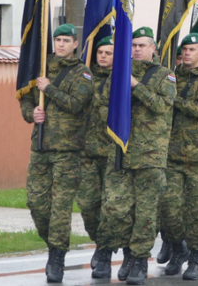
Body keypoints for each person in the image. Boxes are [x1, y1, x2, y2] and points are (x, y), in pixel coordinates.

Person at [94, 27, 176, 284]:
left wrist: (135, 85)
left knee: (145, 213)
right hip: (120, 152)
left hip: (150, 156)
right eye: (133, 45)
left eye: (142, 45)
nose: (137, 49)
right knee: (115, 208)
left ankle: (139, 259)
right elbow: (102, 107)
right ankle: (123, 250)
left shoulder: (165, 76)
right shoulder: (117, 74)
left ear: (153, 49)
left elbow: (162, 106)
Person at [20, 23, 93, 283]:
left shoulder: (82, 73)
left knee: (60, 207)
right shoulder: (41, 65)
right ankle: (54, 244)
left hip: (68, 151)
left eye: (66, 40)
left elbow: (76, 104)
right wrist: (32, 113)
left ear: (76, 44)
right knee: (37, 204)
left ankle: (57, 256)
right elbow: (25, 97)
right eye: (57, 40)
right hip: (40, 147)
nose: (60, 44)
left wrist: (49, 88)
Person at [160, 33, 198, 280]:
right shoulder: (170, 77)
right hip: (172, 156)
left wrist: (172, 100)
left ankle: (195, 259)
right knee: (169, 209)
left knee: (197, 212)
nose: (187, 53)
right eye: (184, 49)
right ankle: (178, 249)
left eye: (192, 49)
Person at [78, 36, 113, 269]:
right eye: (99, 52)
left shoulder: (122, 80)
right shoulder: (86, 77)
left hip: (113, 155)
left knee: (112, 208)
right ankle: (101, 241)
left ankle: (105, 251)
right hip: (88, 154)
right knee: (88, 206)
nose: (102, 56)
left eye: (108, 53)